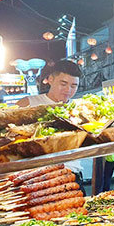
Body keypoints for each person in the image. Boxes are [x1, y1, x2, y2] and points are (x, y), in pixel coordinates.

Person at [16, 59, 86, 195]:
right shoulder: (28, 104)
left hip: (72, 176)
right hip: (35, 179)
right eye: (63, 83)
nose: (68, 90)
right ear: (50, 79)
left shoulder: (80, 108)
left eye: (74, 86)